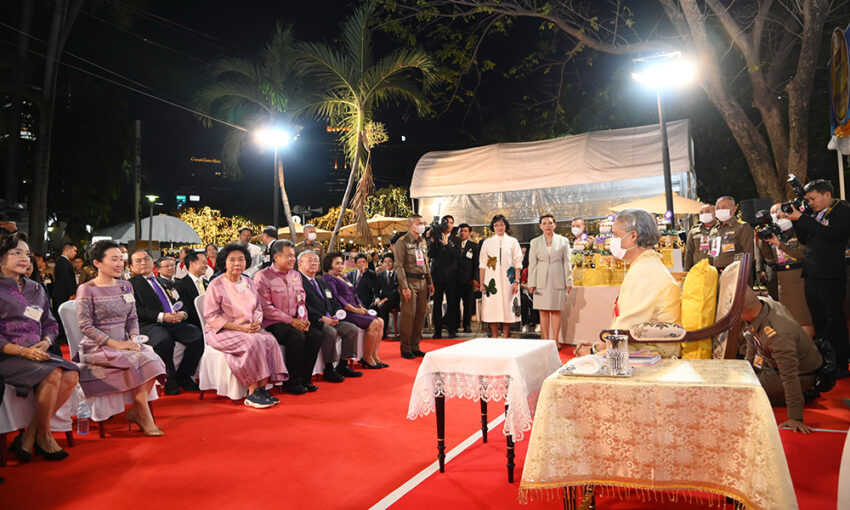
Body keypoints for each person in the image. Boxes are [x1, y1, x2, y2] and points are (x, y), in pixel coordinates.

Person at [0, 232, 80, 461]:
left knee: (72, 374)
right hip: (9, 355)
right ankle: (43, 437)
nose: (25, 258)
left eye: (27, 254)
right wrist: (24, 351)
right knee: (55, 373)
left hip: (38, 351)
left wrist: (46, 342)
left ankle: (31, 435)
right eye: (16, 253)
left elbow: (50, 324)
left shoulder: (35, 288)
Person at [76, 240, 166, 436]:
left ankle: (137, 409)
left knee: (153, 356)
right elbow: (85, 326)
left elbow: (132, 318)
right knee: (144, 359)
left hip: (125, 343)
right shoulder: (87, 289)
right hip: (97, 347)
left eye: (121, 259)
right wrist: (116, 344)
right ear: (97, 263)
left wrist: (134, 336)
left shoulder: (126, 286)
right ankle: (142, 413)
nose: (119, 264)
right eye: (114, 259)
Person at [204, 243, 287, 408]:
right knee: (253, 342)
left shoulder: (248, 281)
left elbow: (257, 307)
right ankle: (252, 391)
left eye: (241, 259)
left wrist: (256, 323)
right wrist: (241, 328)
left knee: (269, 340)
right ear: (224, 262)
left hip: (249, 328)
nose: (237, 263)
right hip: (222, 331)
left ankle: (262, 388)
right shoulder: (216, 284)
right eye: (232, 260)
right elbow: (211, 316)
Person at [788, 179, 850, 376]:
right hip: (811, 272)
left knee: (835, 319)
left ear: (827, 195)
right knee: (819, 320)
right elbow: (805, 239)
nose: (811, 203)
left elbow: (831, 234)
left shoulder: (843, 209)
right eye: (808, 200)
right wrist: (796, 219)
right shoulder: (814, 214)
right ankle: (823, 361)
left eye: (813, 198)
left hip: (831, 273)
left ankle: (840, 363)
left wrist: (804, 219)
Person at [742, 288, 822, 433]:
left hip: (800, 374)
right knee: (742, 380)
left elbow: (789, 375)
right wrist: (747, 368)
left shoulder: (777, 334)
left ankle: (800, 394)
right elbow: (752, 335)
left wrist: (795, 417)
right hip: (772, 362)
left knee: (745, 393)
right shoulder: (762, 304)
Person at [128, 250, 204, 395]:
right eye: (138, 261)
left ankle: (184, 375)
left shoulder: (163, 281)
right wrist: (162, 316)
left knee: (197, 335)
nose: (143, 262)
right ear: (131, 267)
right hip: (150, 324)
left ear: (153, 263)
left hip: (174, 322)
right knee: (164, 340)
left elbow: (181, 301)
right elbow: (136, 310)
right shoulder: (130, 285)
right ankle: (170, 378)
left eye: (146, 259)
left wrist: (183, 313)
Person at [610, 209, 682, 356]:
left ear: (633, 235)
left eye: (615, 234)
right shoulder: (645, 264)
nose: (612, 240)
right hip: (644, 342)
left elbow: (627, 327)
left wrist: (596, 348)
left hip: (655, 351)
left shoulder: (645, 271)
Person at [255, 240, 322, 395]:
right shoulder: (262, 276)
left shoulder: (295, 275)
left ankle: (306, 379)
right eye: (289, 256)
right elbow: (266, 308)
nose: (292, 259)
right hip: (273, 321)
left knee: (316, 335)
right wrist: (292, 322)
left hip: (295, 319)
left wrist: (303, 319)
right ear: (276, 257)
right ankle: (291, 382)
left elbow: (301, 300)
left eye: (293, 255)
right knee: (297, 338)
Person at [297, 250, 361, 382]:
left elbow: (333, 301)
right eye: (310, 261)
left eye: (316, 261)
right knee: (330, 332)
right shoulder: (298, 282)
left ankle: (342, 365)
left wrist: (336, 315)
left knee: (351, 329)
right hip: (314, 320)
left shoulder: (321, 282)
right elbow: (304, 306)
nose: (314, 263)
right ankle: (329, 368)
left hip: (330, 318)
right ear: (299, 264)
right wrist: (322, 318)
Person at [323, 252, 386, 369]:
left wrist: (361, 306)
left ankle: (374, 355)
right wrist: (356, 310)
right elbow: (338, 298)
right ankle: (366, 357)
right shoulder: (328, 279)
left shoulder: (343, 277)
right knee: (374, 323)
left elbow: (354, 294)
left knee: (380, 321)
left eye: (342, 263)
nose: (341, 266)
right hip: (344, 312)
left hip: (355, 309)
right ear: (329, 265)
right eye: (337, 263)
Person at [763, 206, 814, 339]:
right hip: (783, 283)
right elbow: (770, 259)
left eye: (785, 217)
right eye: (779, 218)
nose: (781, 220)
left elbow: (803, 255)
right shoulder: (778, 235)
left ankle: (808, 352)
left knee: (804, 320)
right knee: (788, 321)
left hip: (800, 280)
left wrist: (781, 245)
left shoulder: (801, 233)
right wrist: (765, 242)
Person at [393, 215, 434, 359]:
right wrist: (404, 287)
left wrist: (430, 281)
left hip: (423, 281)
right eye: (419, 223)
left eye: (423, 223)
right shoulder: (402, 242)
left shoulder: (422, 241)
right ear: (411, 225)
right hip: (409, 281)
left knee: (420, 315)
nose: (422, 225)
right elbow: (399, 266)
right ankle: (406, 348)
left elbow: (425, 262)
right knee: (409, 315)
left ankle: (415, 346)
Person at [528, 214, 573, 341]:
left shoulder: (563, 241)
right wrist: (531, 282)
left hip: (558, 278)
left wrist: (569, 281)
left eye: (550, 223)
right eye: (545, 223)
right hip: (541, 279)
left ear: (555, 224)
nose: (547, 226)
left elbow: (567, 262)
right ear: (540, 226)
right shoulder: (535, 242)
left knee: (556, 310)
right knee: (543, 311)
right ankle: (545, 339)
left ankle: (555, 340)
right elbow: (532, 264)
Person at [479, 214, 523, 338]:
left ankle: (505, 336)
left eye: (501, 224)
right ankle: (494, 336)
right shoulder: (487, 243)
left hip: (509, 280)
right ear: (493, 227)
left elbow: (517, 262)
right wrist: (481, 282)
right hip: (491, 280)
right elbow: (482, 264)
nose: (499, 227)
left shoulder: (513, 241)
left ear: (506, 226)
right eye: (496, 225)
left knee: (507, 307)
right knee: (493, 307)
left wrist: (517, 281)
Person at [428, 215, 460, 339]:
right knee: (437, 303)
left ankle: (452, 329)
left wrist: (447, 244)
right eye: (447, 222)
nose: (449, 225)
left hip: (451, 275)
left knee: (452, 303)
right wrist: (432, 241)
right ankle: (438, 330)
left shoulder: (455, 239)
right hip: (437, 275)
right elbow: (431, 254)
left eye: (451, 223)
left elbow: (457, 255)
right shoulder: (435, 235)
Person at [709, 196, 755, 273]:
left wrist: (743, 276)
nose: (720, 210)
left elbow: (748, 255)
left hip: (735, 273)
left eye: (723, 207)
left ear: (734, 209)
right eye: (717, 208)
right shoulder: (714, 230)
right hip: (717, 274)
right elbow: (711, 255)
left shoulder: (742, 227)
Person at [50, 242, 77, 355]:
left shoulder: (63, 262)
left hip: (62, 294)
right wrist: (72, 293)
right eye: (74, 251)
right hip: (63, 294)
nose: (75, 253)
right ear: (68, 250)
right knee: (61, 316)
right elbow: (66, 280)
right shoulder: (63, 262)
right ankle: (61, 338)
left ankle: (62, 337)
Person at [173, 250, 209, 330]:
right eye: (203, 263)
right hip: (195, 326)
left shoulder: (208, 284)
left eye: (207, 263)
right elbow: (184, 309)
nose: (206, 266)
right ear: (192, 263)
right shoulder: (180, 285)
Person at [454, 223, 479, 333]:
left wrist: (474, 279)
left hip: (468, 279)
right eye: (461, 231)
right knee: (454, 304)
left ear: (469, 233)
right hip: (454, 280)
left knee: (468, 304)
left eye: (465, 231)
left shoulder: (474, 246)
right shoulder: (453, 244)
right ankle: (454, 325)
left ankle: (467, 325)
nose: (462, 233)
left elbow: (476, 264)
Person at [755, 204, 780, 300]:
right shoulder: (764, 231)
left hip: (784, 267)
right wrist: (760, 270)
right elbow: (759, 253)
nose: (773, 215)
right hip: (770, 269)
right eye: (771, 213)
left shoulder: (787, 228)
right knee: (774, 297)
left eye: (776, 212)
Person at [683, 203, 717, 271]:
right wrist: (686, 271)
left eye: (707, 211)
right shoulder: (693, 232)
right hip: (698, 270)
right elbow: (689, 252)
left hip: (716, 270)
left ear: (715, 213)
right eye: (701, 212)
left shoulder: (721, 229)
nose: (704, 214)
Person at [376, 254, 401, 338]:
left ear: (394, 262)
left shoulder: (397, 273)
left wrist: (386, 299)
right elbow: (376, 288)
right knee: (372, 306)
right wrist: (377, 298)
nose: (387, 264)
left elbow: (397, 290)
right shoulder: (381, 274)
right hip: (382, 299)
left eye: (390, 261)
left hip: (394, 300)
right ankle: (374, 330)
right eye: (385, 262)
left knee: (383, 306)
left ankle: (383, 332)